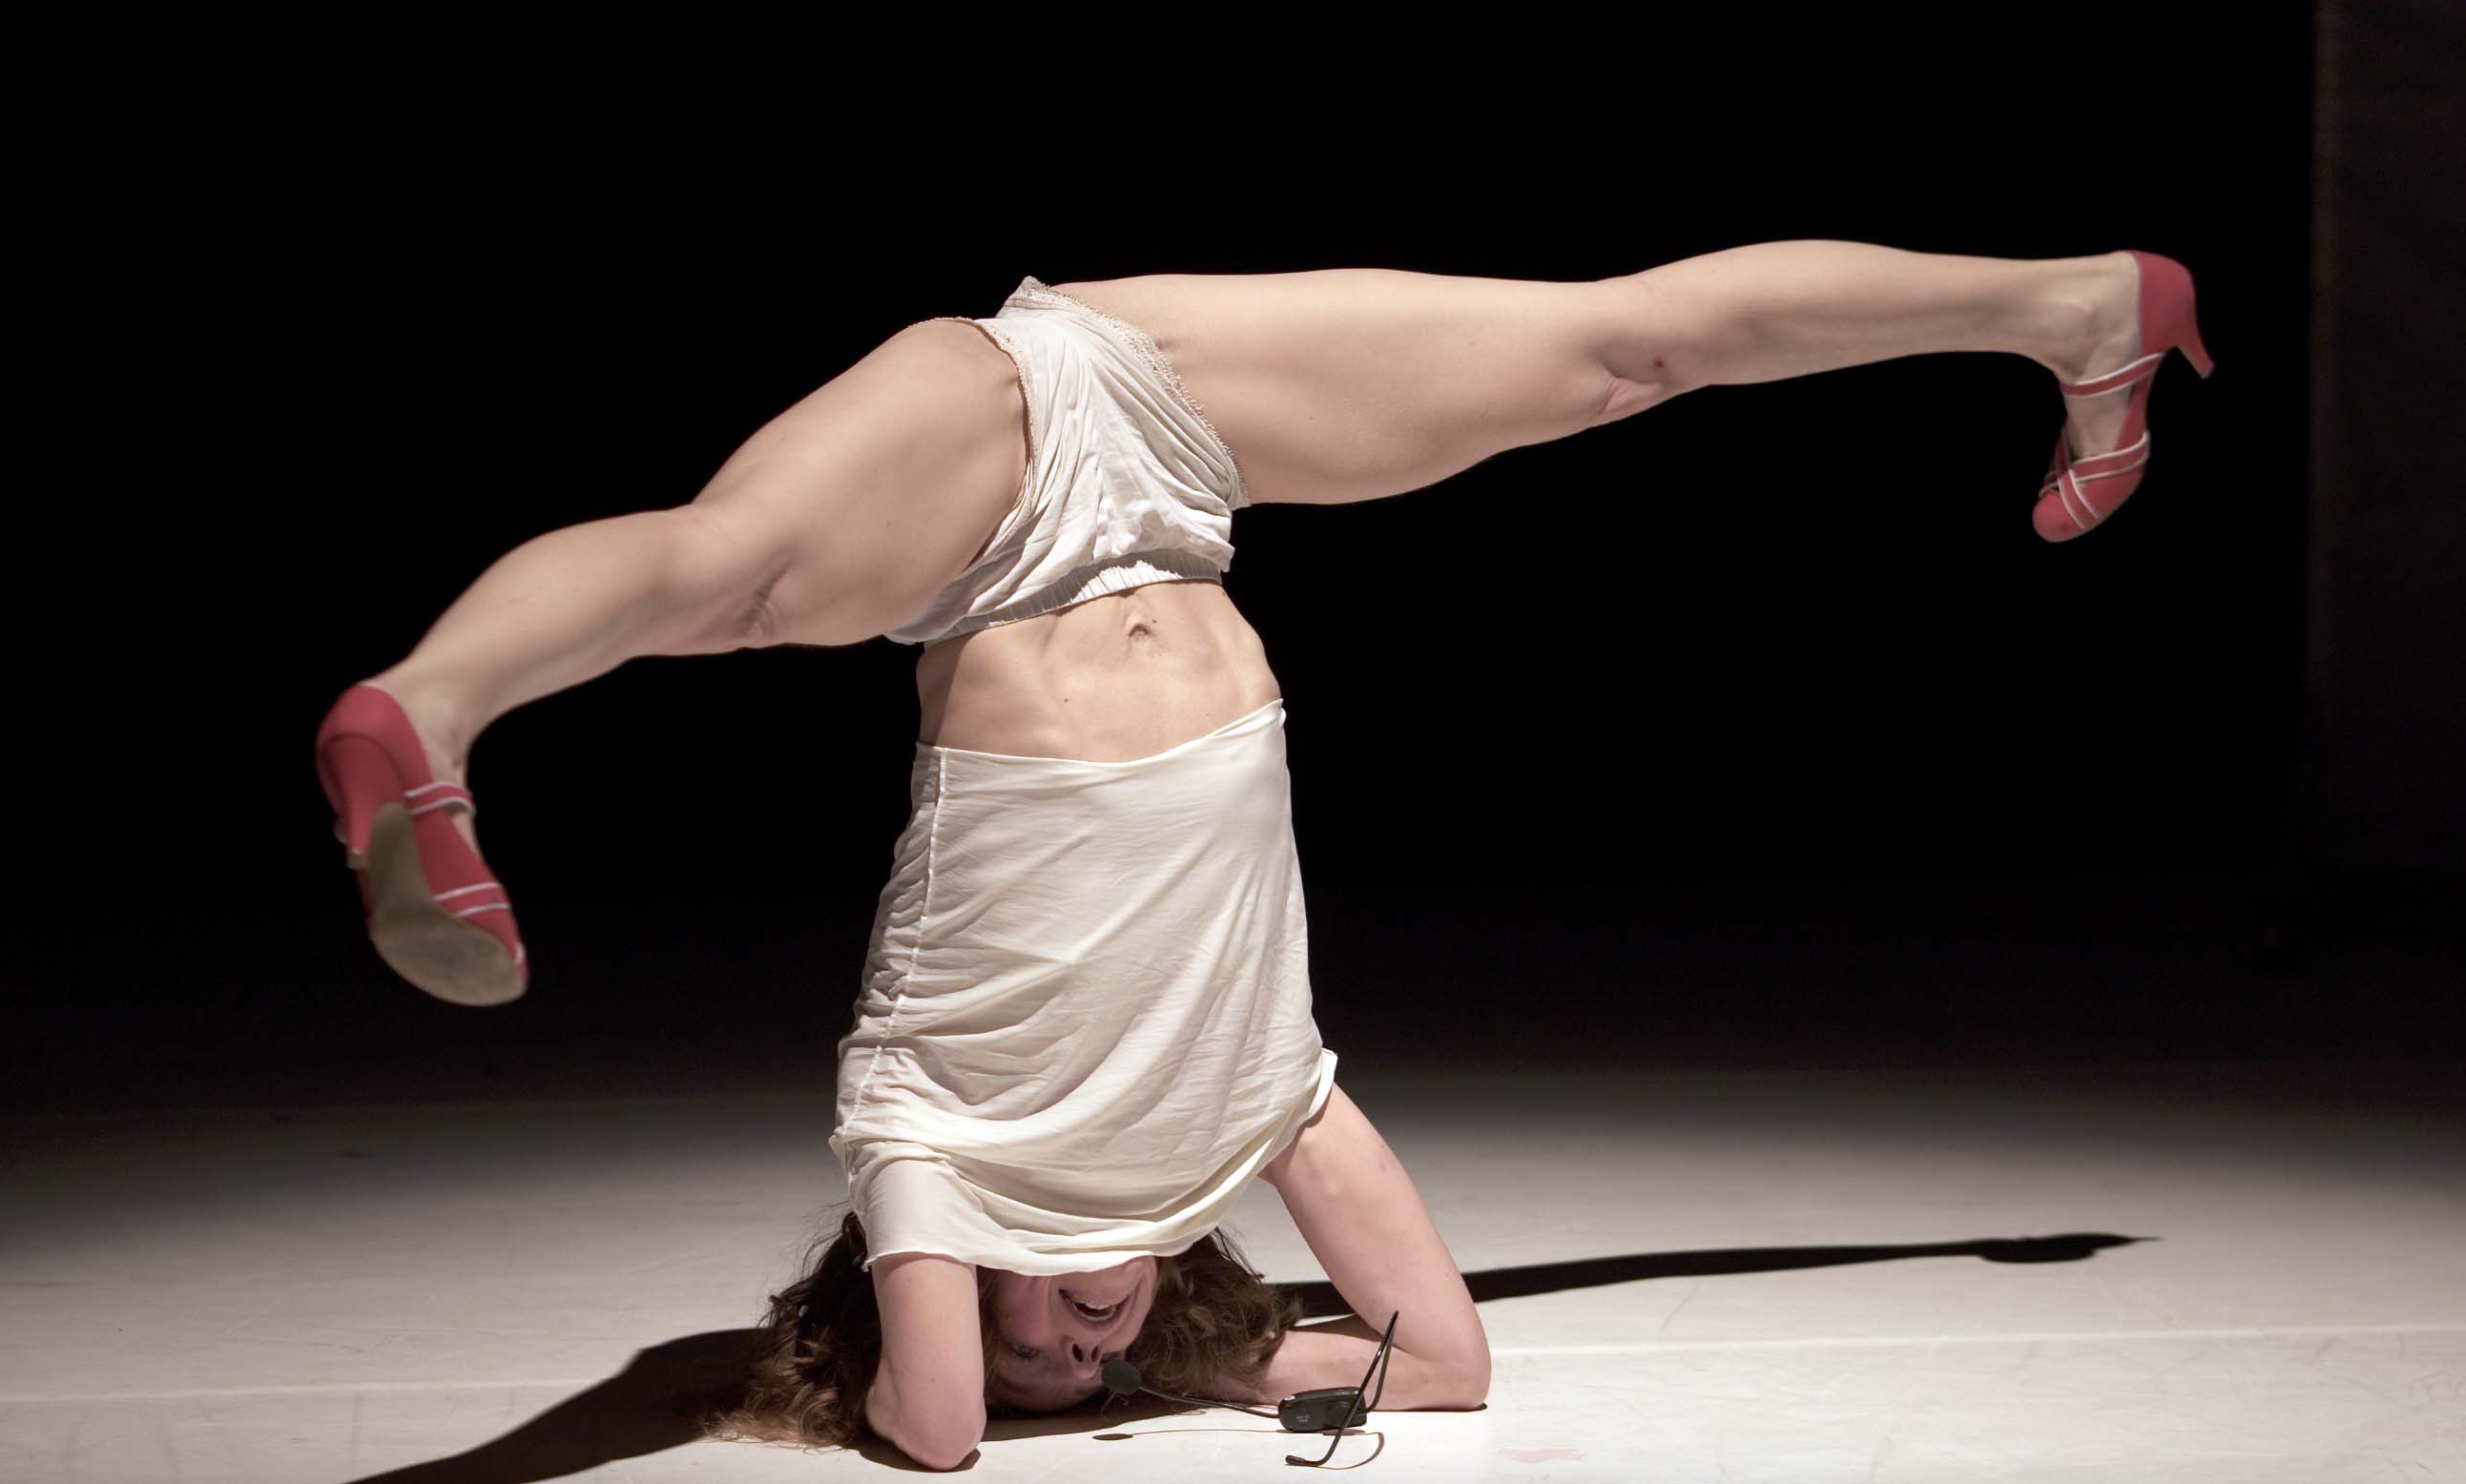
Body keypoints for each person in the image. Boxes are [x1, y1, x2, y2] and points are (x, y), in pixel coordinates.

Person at [312, 248, 2211, 1468]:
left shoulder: (922, 1142)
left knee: (729, 580)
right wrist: (1217, 1372)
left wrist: (990, 1384)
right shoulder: (1251, 1107)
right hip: (1179, 481)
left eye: (1044, 1351)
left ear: (935, 1286)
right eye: (1098, 1370)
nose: (1084, 1347)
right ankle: (2074, 313)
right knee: (1619, 358)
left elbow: (943, 1433)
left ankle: (431, 712)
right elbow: (1445, 1366)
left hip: (992, 484)